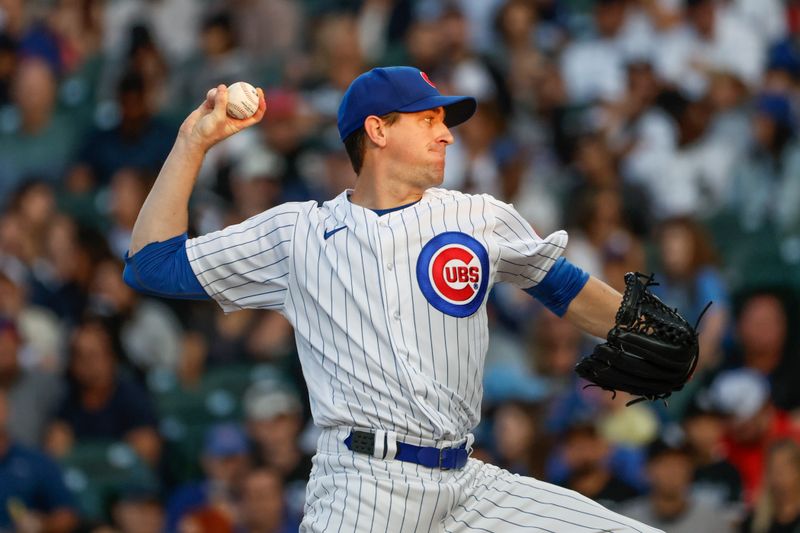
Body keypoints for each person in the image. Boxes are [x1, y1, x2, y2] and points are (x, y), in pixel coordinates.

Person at [123, 66, 662, 531]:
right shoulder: (298, 234)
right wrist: (192, 141)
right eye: (428, 119)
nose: (446, 134)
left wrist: (645, 330)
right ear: (377, 130)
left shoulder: (477, 216)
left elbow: (562, 286)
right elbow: (151, 265)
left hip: (468, 484)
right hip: (364, 488)